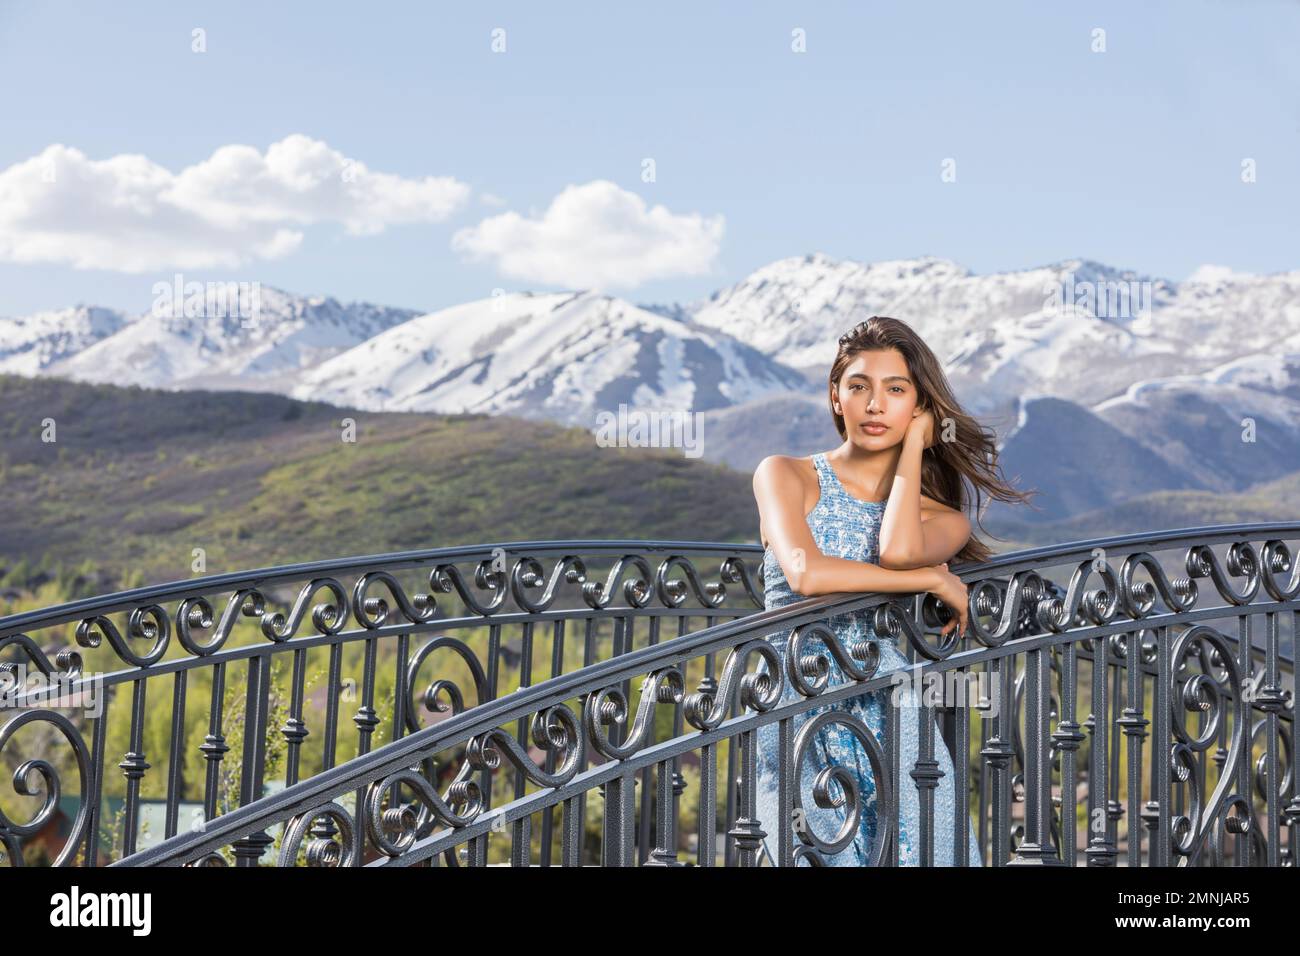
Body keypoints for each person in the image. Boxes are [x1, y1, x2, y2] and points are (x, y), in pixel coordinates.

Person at [751, 315, 1036, 866]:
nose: (875, 405)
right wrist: (928, 579)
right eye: (858, 387)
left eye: (896, 390)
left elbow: (897, 550)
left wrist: (911, 453)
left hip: (892, 709)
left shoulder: (944, 520)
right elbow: (806, 574)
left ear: (919, 408)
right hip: (796, 703)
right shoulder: (783, 474)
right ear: (837, 398)